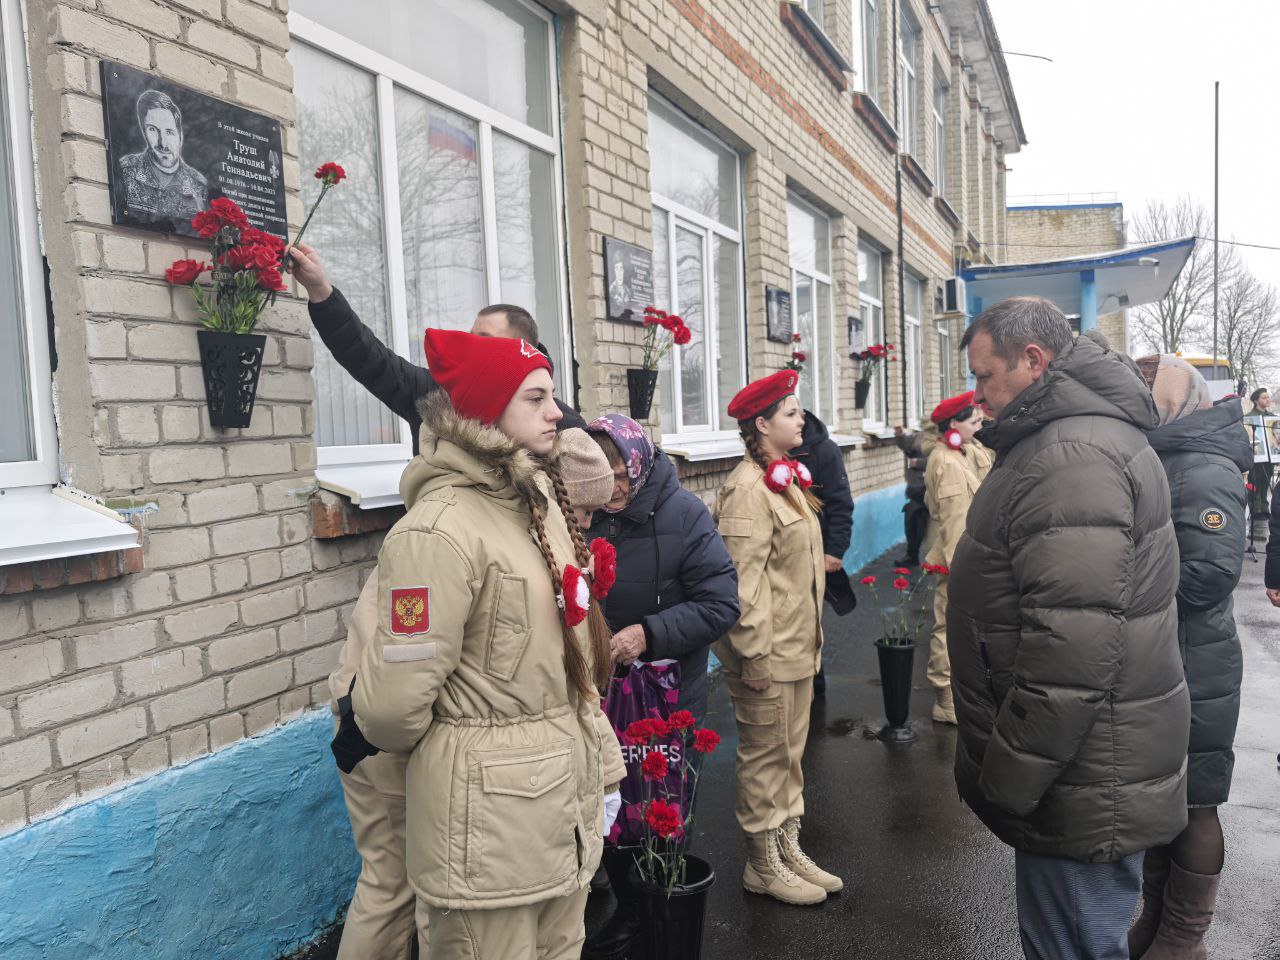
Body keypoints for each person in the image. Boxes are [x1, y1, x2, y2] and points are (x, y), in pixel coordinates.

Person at [333, 330, 625, 960]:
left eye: (553, 395)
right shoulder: (440, 531)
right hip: (486, 832)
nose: (557, 411)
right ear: (487, 412)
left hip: (552, 817)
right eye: (536, 398)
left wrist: (597, 767)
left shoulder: (537, 504)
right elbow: (391, 709)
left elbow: (564, 664)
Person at [948, 297, 1189, 960]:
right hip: (1084, 767)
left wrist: (1008, 782)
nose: (977, 395)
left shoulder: (1073, 457)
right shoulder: (1062, 442)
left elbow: (1072, 655)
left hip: (1081, 776)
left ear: (1034, 360)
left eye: (984, 376)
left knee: (1073, 948)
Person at [580, 414, 739, 958]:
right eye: (603, 473)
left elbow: (720, 604)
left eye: (622, 471)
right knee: (609, 804)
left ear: (641, 461)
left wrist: (648, 634)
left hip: (665, 695)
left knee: (659, 809)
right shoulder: (581, 513)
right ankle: (628, 907)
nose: (614, 485)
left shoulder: (684, 515)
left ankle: (655, 920)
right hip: (597, 691)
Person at [1126, 357, 1250, 959]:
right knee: (1165, 800)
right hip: (1168, 656)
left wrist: (1120, 585)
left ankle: (1184, 938)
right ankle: (1157, 920)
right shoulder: (1168, 455)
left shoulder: (1201, 466)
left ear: (1172, 404)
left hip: (1198, 662)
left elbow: (1210, 575)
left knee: (1197, 803)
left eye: (1143, 397)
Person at [714, 369, 840, 906]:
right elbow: (743, 588)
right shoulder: (748, 491)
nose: (801, 419)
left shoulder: (784, 479)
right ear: (762, 425)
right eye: (790, 413)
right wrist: (754, 658)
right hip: (765, 655)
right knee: (766, 759)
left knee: (790, 758)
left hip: (797, 648)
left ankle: (788, 849)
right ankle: (762, 865)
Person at [288, 244, 586, 454]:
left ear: (523, 350)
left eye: (485, 339)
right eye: (471, 335)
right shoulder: (437, 396)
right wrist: (321, 292)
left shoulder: (562, 423)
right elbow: (368, 357)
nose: (471, 345)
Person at [920, 391, 991, 725]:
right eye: (972, 420)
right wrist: (963, 569)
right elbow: (953, 521)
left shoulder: (959, 452)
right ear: (953, 424)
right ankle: (944, 698)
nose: (979, 424)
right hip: (956, 561)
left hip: (964, 559)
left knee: (958, 628)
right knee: (946, 628)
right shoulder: (947, 462)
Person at [789, 408, 854, 694]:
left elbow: (840, 504)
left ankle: (814, 690)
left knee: (809, 624)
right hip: (784, 556)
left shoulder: (824, 451)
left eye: (794, 412)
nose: (797, 421)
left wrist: (835, 551)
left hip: (815, 556)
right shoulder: (771, 452)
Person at [118, 90, 208, 226]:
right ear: (144, 132)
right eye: (153, 130)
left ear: (180, 136)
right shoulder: (125, 172)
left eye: (169, 132)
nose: (163, 143)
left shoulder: (199, 186)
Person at [893, 422, 935, 567]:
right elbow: (906, 445)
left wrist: (919, 463)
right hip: (915, 488)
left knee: (932, 527)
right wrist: (899, 435)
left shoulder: (942, 439)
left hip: (930, 488)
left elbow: (940, 460)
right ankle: (912, 555)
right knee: (912, 522)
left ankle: (934, 561)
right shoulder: (919, 436)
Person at [1246, 387, 1273, 519]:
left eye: (1268, 397)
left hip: (1269, 457)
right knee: (1255, 482)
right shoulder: (1249, 417)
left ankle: (1264, 507)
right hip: (1256, 456)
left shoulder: (1271, 417)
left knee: (1265, 482)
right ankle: (1255, 509)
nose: (1267, 399)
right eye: (1264, 397)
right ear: (1256, 400)